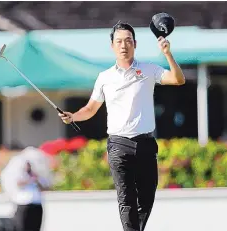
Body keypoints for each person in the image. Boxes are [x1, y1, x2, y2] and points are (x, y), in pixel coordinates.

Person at [58, 22, 185, 231]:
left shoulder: (149, 69)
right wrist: (73, 116)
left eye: (128, 41)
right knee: (126, 198)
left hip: (145, 142)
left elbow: (178, 79)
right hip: (118, 145)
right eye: (119, 42)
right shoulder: (105, 78)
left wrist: (168, 54)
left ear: (135, 44)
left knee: (147, 196)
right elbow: (90, 109)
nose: (124, 45)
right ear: (112, 46)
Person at [12, 161, 49, 231]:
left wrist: (36, 180)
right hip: (24, 205)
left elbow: (44, 188)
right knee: (22, 227)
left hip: (36, 205)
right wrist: (30, 180)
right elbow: (19, 184)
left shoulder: (36, 176)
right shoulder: (20, 175)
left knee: (35, 227)